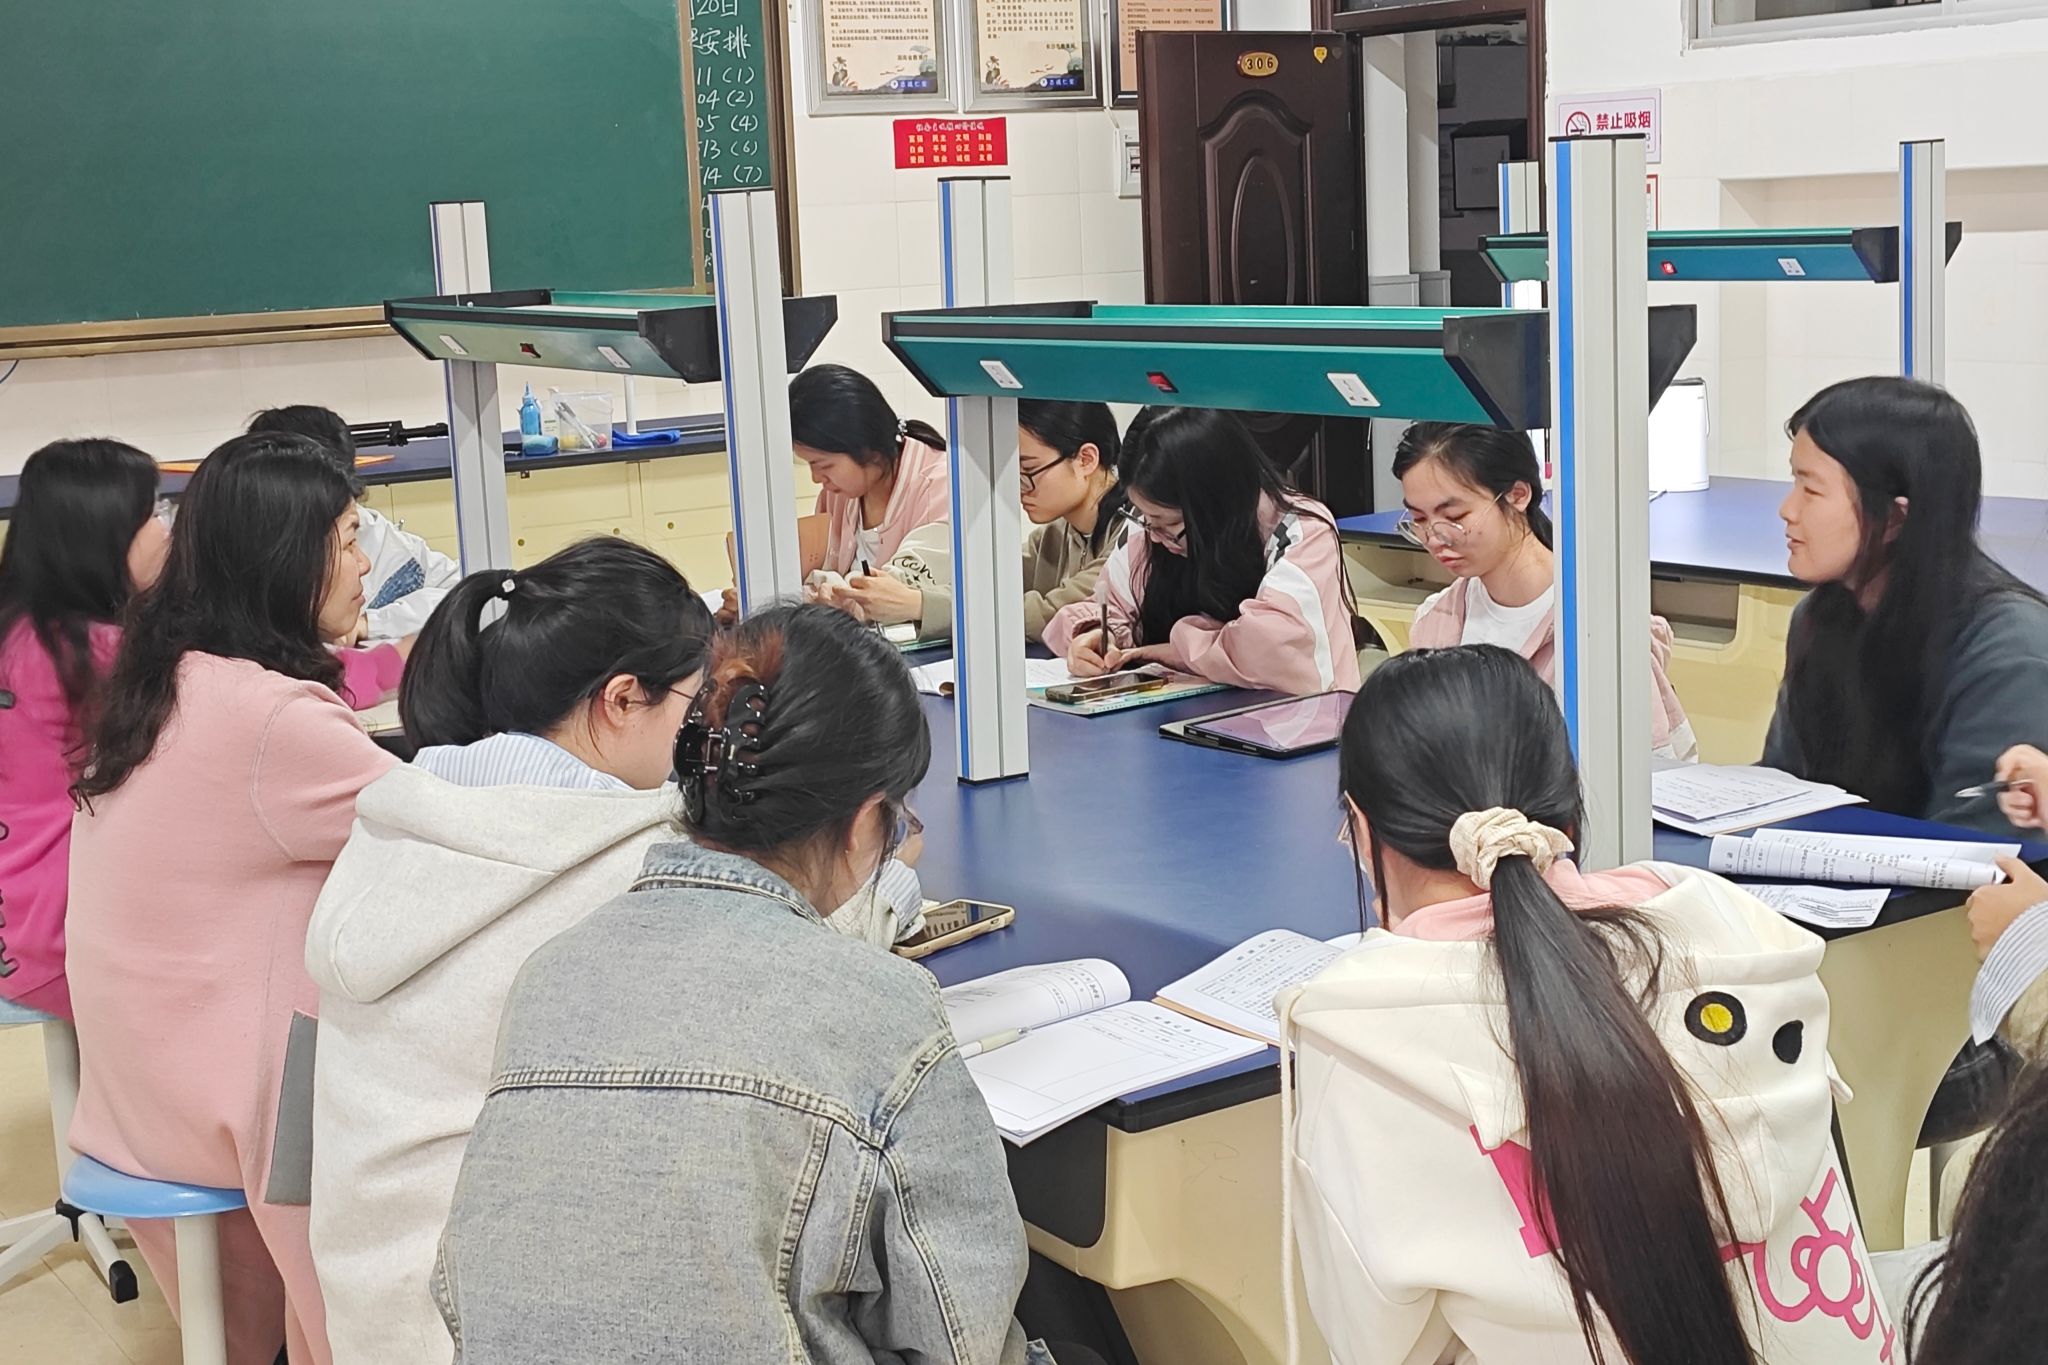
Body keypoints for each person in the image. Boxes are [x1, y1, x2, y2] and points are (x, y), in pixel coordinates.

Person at [306, 542, 928, 1365]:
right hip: (508, 1322)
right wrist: (880, 873)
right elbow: (799, 971)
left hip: (374, 1318)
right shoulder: (620, 860)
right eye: (696, 706)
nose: (706, 735)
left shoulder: (403, 816)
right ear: (622, 699)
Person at [435, 604, 1048, 1364]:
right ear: (866, 823)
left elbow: (466, 1284)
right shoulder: (883, 1011)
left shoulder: (550, 974)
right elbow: (962, 1336)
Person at [1281, 644, 1891, 1365]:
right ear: (1568, 808)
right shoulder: (1725, 920)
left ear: (1361, 827)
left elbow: (1376, 1345)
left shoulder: (1361, 1031)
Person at [66, 431, 400, 1365]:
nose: (365, 563)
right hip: (217, 1099)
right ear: (286, 558)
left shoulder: (168, 675)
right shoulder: (269, 716)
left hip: (135, 1082)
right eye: (348, 538)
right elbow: (440, 829)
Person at [1763, 377, 2048, 837]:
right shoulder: (1822, 616)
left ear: (1896, 517)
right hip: (1824, 872)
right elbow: (1783, 785)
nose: (1787, 509)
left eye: (1811, 491)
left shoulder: (2008, 650)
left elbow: (1978, 841)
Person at [1395, 422, 1698, 760]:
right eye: (1419, 520)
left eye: (1454, 516)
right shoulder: (1436, 620)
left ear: (1517, 495)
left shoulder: (1597, 629)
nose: (1435, 538)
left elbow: (1647, 773)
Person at [0, 439, 170, 1019]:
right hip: (59, 946)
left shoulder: (19, 635)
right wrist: (396, 660)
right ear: (106, 531)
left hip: (18, 929)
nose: (167, 532)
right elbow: (243, 684)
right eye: (154, 512)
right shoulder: (101, 652)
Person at [1043, 406, 1361, 696]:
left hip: (1300, 725)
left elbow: (1274, 650)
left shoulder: (1300, 531)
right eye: (1144, 517)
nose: (1153, 535)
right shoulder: (1149, 529)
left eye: (1168, 523)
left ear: (1214, 505)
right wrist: (1096, 635)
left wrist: (1176, 646)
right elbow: (1107, 606)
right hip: (1183, 722)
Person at [827, 400, 1129, 644]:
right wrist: (885, 597)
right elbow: (989, 587)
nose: (1018, 487)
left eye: (1027, 470)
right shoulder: (1055, 535)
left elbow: (1052, 613)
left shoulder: (1132, 536)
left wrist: (918, 604)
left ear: (1086, 459)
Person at [249, 405, 459, 643]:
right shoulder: (252, 584)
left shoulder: (374, 534)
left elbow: (459, 591)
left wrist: (371, 624)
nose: (363, 564)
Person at [790, 363, 951, 621]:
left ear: (866, 449)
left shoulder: (941, 488)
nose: (816, 478)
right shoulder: (836, 495)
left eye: (824, 465)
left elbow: (898, 595)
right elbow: (813, 577)